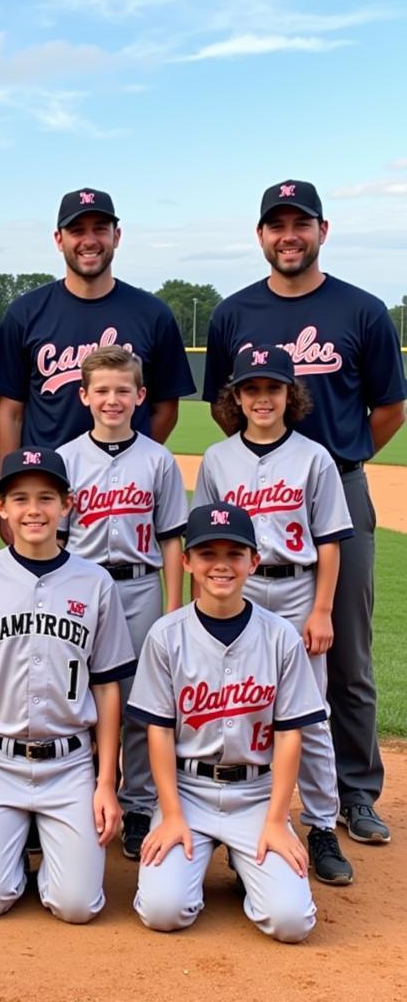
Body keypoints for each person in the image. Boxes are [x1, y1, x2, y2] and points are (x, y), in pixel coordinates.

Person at [203, 179, 406, 844]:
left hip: (337, 482)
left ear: (323, 230)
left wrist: (338, 463)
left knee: (344, 649)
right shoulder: (233, 314)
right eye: (276, 224)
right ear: (260, 235)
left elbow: (390, 408)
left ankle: (355, 792)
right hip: (254, 494)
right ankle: (245, 785)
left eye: (301, 223)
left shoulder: (363, 309)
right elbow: (222, 408)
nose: (289, 235)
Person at [0, 448, 135, 922]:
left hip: (69, 767)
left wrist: (106, 783)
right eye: (19, 498)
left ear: (68, 504)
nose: (34, 510)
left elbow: (106, 689)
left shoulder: (95, 581)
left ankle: (51, 849)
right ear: (0, 507)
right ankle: (17, 852)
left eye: (46, 498)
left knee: (78, 907)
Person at [194, 343, 355, 885]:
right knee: (235, 706)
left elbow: (329, 541)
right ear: (235, 396)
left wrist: (323, 610)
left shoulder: (314, 457)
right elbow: (203, 541)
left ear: (291, 395)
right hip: (233, 589)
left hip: (294, 592)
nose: (262, 398)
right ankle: (243, 825)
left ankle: (321, 825)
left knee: (307, 715)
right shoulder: (218, 459)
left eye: (273, 388)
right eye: (251, 389)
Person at [128, 502, 323, 943]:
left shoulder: (280, 637)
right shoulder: (166, 635)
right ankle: (215, 860)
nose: (221, 565)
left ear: (254, 561)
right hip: (188, 792)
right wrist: (171, 814)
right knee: (164, 912)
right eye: (207, 553)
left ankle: (245, 859)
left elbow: (291, 735)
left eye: (234, 554)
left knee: (292, 924)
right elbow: (157, 731)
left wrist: (276, 818)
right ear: (186, 562)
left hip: (256, 796)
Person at [55, 345, 187, 861]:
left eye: (123, 391)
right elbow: (57, 541)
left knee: (138, 701)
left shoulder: (158, 460)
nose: (113, 400)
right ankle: (78, 798)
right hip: (81, 588)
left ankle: (135, 805)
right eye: (102, 391)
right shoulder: (66, 459)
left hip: (138, 588)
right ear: (84, 396)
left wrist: (174, 607)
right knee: (76, 697)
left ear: (141, 396)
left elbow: (172, 537)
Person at [0, 187, 194, 480]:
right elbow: (10, 413)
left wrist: (127, 460)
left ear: (116, 236)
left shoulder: (153, 314)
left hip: (124, 488)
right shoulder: (25, 313)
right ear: (59, 239)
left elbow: (166, 408)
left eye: (100, 229)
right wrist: (9, 488)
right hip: (45, 484)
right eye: (77, 230)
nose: (89, 240)